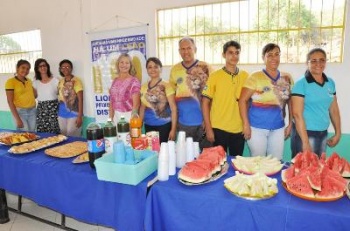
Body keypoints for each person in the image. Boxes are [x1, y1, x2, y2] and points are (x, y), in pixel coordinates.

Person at [239, 43, 293, 160]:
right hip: (256, 128)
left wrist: (290, 124)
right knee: (258, 162)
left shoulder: (287, 78)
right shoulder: (255, 77)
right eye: (270, 55)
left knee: (276, 162)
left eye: (277, 54)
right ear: (263, 58)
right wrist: (245, 124)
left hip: (278, 128)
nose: (274, 58)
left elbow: (290, 102)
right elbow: (242, 100)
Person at [291, 48, 341, 157]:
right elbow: (297, 114)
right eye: (313, 61)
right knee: (302, 170)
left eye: (322, 60)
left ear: (325, 62)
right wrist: (305, 142)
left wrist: (338, 133)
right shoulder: (301, 84)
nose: (318, 64)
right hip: (304, 133)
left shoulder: (330, 82)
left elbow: (334, 109)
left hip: (323, 133)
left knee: (318, 168)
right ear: (307, 63)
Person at [202, 40, 249, 156]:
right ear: (224, 55)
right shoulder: (215, 76)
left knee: (236, 164)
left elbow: (248, 102)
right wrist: (208, 128)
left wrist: (246, 124)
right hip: (218, 128)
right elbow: (204, 102)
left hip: (238, 129)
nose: (234, 56)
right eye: (230, 53)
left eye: (237, 53)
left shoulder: (245, 76)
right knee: (219, 165)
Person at [169, 37, 213, 147]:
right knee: (186, 158)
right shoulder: (175, 70)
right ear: (179, 51)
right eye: (182, 49)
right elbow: (172, 96)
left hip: (203, 123)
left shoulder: (206, 67)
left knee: (206, 158)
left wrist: (208, 121)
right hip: (183, 124)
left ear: (195, 49)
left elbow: (214, 94)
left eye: (189, 48)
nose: (186, 51)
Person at [139, 57, 177, 143]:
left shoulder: (167, 85)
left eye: (156, 66)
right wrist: (139, 126)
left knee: (164, 152)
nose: (153, 69)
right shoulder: (144, 87)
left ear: (161, 69)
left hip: (164, 125)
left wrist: (173, 129)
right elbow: (142, 108)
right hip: (148, 125)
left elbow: (173, 108)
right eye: (150, 67)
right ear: (147, 70)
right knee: (152, 151)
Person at [5, 59, 37, 132]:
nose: (25, 70)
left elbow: (34, 96)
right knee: (24, 135)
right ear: (17, 68)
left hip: (32, 111)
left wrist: (35, 83)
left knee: (32, 134)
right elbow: (10, 101)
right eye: (23, 67)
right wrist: (17, 119)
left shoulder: (29, 81)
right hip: (20, 112)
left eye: (28, 69)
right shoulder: (10, 82)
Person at [109, 53, 141, 124]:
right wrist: (110, 119)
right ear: (118, 64)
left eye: (127, 63)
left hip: (129, 116)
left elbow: (136, 105)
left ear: (130, 65)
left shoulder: (134, 81)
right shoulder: (115, 81)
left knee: (128, 135)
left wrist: (132, 123)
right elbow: (111, 102)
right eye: (122, 62)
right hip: (116, 117)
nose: (124, 65)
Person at [32, 58, 60, 134]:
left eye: (44, 65)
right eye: (40, 66)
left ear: (47, 67)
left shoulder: (56, 80)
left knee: (55, 132)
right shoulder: (35, 83)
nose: (42, 68)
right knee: (42, 133)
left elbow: (60, 94)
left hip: (54, 109)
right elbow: (34, 96)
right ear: (37, 69)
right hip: (41, 109)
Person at [57, 59, 84, 137]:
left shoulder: (77, 81)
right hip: (61, 113)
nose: (65, 69)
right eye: (63, 67)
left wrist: (80, 116)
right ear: (60, 69)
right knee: (63, 136)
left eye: (68, 67)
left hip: (74, 112)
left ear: (71, 68)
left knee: (72, 136)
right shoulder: (61, 81)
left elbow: (80, 99)